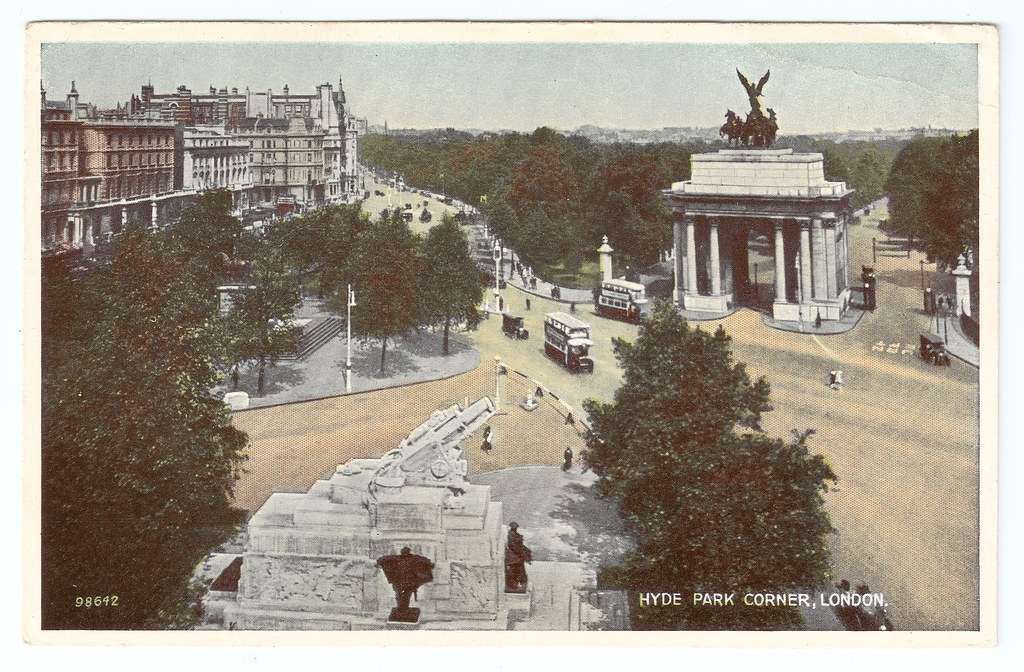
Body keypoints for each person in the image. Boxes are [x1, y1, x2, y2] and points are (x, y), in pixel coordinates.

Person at [377, 547, 434, 622]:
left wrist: (429, 564)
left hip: (407, 583)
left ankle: (403, 609)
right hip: (402, 582)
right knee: (401, 596)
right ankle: (401, 609)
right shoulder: (402, 558)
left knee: (404, 596)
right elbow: (384, 559)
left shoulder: (409, 558)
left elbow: (384, 559)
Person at [504, 523, 532, 593]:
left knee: (521, 561)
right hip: (513, 554)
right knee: (518, 563)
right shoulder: (511, 534)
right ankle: (516, 584)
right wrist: (521, 553)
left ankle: (521, 580)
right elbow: (513, 546)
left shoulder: (514, 533)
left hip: (515, 553)